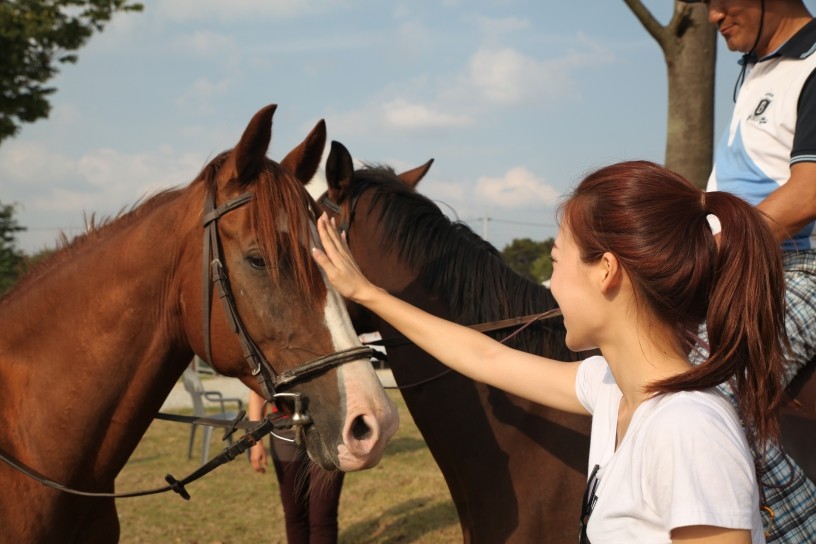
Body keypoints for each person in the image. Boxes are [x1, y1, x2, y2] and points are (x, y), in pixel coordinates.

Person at [313, 160, 786, 543]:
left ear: (606, 271)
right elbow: (486, 358)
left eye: (556, 261)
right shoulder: (610, 390)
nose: (548, 283)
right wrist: (368, 294)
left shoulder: (687, 428)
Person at [690, 1, 816, 540]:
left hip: (802, 267)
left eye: (723, 0)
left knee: (700, 391)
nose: (714, 16)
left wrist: (719, 248)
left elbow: (809, 191)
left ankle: (799, 530)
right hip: (749, 262)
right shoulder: (756, 70)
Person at [248, 390, 345, 544]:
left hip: (329, 426)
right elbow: (256, 392)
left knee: (323, 516)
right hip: (285, 429)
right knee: (294, 514)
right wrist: (256, 441)